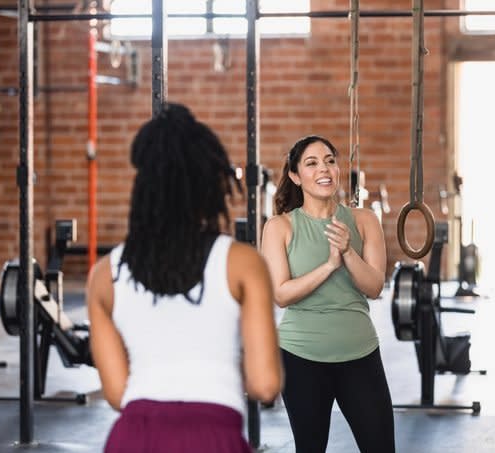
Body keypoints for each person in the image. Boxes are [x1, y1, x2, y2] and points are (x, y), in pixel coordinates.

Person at [86, 103, 282, 453]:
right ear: (209, 184)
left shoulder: (104, 275)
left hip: (133, 438)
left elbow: (118, 394)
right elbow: (265, 384)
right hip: (212, 436)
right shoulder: (241, 263)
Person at [261, 135, 395, 453]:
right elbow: (281, 294)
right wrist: (329, 264)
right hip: (300, 356)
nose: (324, 168)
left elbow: (374, 286)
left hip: (359, 353)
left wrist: (347, 253)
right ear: (295, 176)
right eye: (312, 163)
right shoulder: (279, 227)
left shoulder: (363, 221)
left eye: (330, 160)